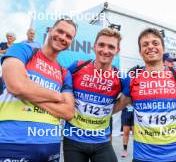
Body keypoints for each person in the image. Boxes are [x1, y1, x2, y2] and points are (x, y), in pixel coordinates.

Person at [0, 18, 76, 162]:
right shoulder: (22, 49)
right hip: (13, 143)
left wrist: (28, 93)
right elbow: (16, 85)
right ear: (50, 31)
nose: (63, 37)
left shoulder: (64, 72)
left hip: (51, 147)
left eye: (68, 36)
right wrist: (57, 96)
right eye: (60, 31)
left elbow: (68, 112)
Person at [113, 28, 176, 162]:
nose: (150, 47)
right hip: (144, 157)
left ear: (163, 48)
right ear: (140, 51)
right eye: (145, 44)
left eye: (155, 43)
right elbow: (119, 104)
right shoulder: (133, 78)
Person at [63, 28, 122, 162]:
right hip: (73, 140)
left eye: (111, 47)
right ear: (94, 47)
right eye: (101, 45)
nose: (105, 50)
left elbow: (128, 98)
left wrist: (108, 111)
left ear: (117, 51)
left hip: (102, 141)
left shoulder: (120, 77)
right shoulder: (77, 66)